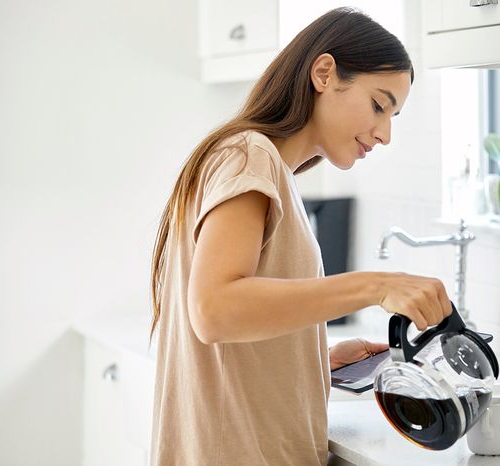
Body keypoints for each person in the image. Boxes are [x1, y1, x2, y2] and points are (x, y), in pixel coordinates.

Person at [148, 7, 452, 466]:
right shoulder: (250, 156)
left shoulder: (259, 165)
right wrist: (376, 286)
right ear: (325, 73)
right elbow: (214, 311)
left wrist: (313, 358)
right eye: (378, 105)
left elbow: (227, 337)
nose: (385, 133)